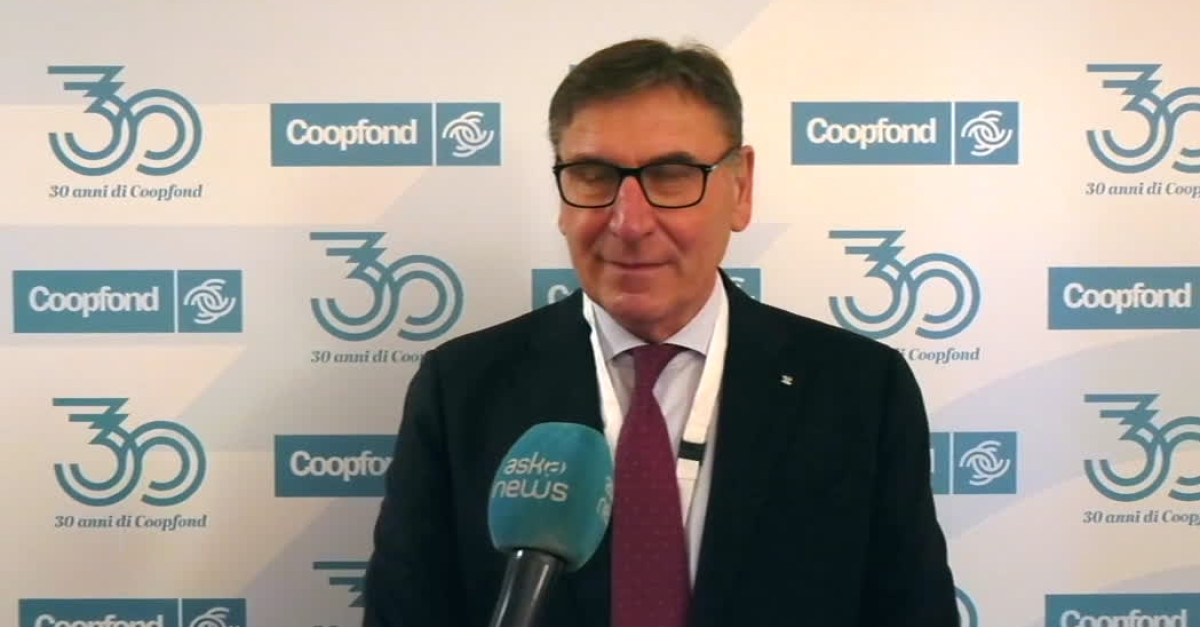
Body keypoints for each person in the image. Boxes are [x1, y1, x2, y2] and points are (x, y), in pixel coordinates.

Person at [362, 38, 958, 627]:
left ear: (741, 189)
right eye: (593, 175)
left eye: (671, 176)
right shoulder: (461, 388)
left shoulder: (862, 389)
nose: (630, 222)